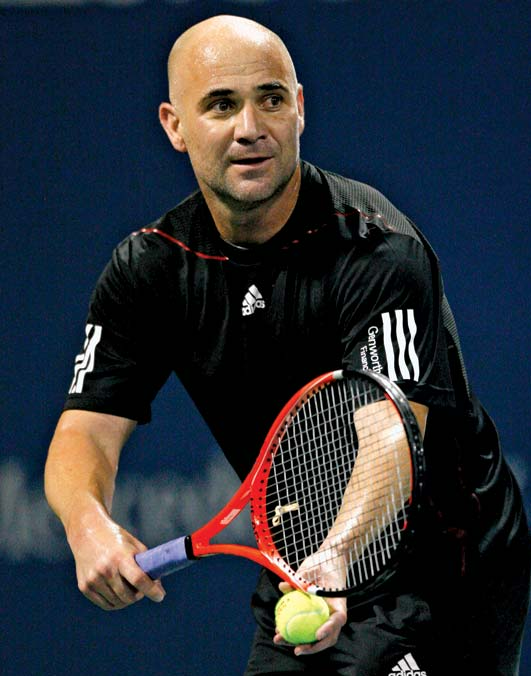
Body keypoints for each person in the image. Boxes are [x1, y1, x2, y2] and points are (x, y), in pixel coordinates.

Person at [44, 14, 530, 676]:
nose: (250, 127)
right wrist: (88, 526)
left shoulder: (376, 249)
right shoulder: (150, 269)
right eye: (220, 105)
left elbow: (389, 435)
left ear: (298, 109)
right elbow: (87, 431)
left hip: (443, 558)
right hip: (298, 550)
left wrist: (337, 558)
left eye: (269, 98)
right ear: (174, 126)